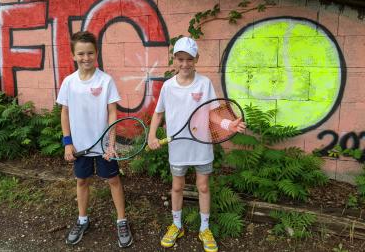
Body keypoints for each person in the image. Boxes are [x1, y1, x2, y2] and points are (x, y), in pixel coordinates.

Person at [147, 37, 246, 252]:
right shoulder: (167, 86)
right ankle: (177, 225)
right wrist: (151, 136)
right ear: (174, 59)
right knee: (177, 186)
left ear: (196, 59)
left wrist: (230, 125)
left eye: (189, 59)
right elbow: (158, 113)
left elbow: (213, 114)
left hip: (201, 146)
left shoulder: (204, 83)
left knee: (203, 186)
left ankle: (204, 228)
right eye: (180, 59)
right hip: (178, 148)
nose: (184, 64)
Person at [56, 31, 132, 248]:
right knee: (82, 181)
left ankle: (121, 220)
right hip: (79, 146)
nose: (85, 57)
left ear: (96, 53)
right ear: (73, 55)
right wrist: (67, 142)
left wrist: (110, 143)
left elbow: (112, 113)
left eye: (90, 53)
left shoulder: (106, 80)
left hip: (104, 147)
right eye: (81, 53)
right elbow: (64, 113)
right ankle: (82, 219)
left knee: (113, 181)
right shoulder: (69, 82)